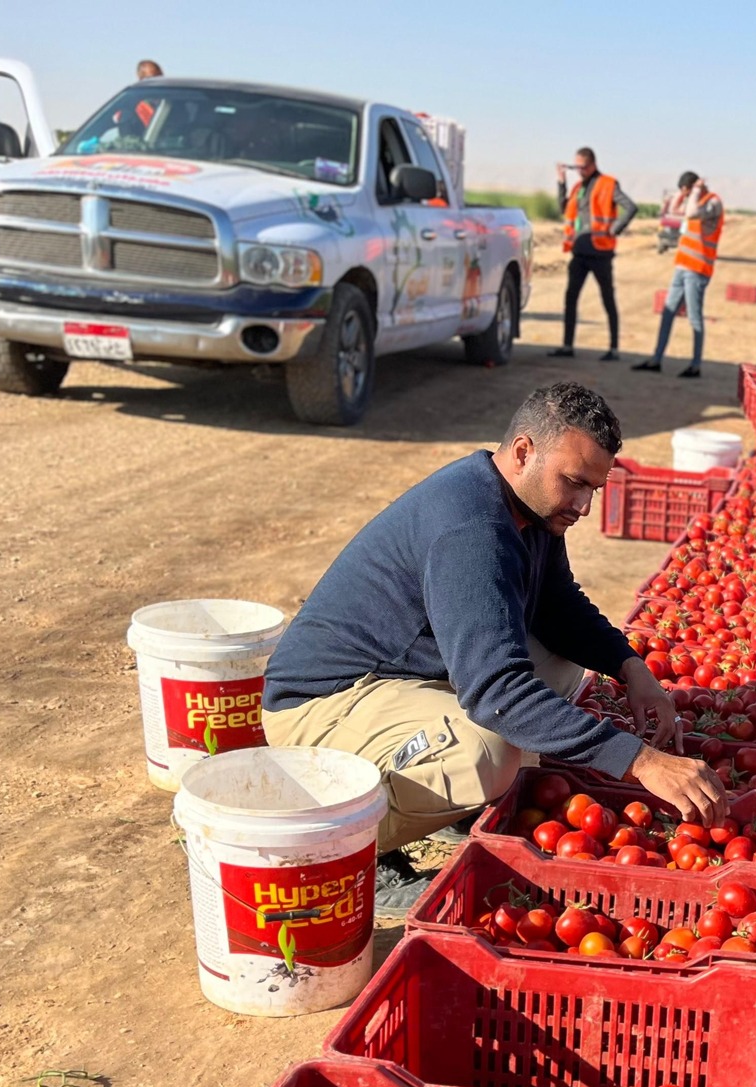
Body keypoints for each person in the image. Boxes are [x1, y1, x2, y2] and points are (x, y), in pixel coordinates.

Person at [262, 382, 727, 911]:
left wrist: (631, 668)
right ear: (524, 451)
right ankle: (344, 850)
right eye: (574, 483)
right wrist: (640, 761)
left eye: (593, 489)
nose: (582, 505)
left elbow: (558, 606)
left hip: (402, 676)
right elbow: (495, 692)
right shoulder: (471, 526)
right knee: (490, 750)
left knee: (558, 661)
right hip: (324, 707)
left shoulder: (525, 507)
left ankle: (437, 802)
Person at [634, 172, 724, 379]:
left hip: (698, 269)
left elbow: (692, 212)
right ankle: (656, 360)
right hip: (682, 266)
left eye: (687, 190)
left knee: (694, 317)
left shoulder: (712, 203)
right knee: (668, 312)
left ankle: (695, 365)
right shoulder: (694, 200)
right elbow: (674, 209)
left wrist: (693, 192)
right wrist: (683, 193)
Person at [550, 148, 637, 361]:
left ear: (592, 164)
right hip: (579, 252)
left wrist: (615, 229)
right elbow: (563, 208)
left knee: (608, 298)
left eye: (582, 167)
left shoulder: (608, 184)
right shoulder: (578, 187)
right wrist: (561, 182)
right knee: (570, 298)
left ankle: (614, 349)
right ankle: (567, 346)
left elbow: (631, 207)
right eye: (576, 167)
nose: (579, 171)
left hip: (600, 252)